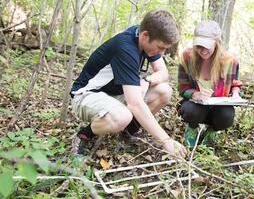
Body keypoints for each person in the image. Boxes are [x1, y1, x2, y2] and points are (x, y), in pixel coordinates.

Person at [70, 10, 187, 158]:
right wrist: (166, 140)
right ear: (145, 35)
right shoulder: (125, 47)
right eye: (160, 47)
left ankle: (127, 133)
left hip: (115, 94)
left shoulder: (146, 36)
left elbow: (164, 73)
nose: (162, 53)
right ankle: (84, 135)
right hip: (86, 95)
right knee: (122, 116)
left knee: (164, 91)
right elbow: (135, 104)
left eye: (165, 48)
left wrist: (146, 80)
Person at [177, 20, 242, 147]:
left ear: (217, 43)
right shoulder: (187, 56)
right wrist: (195, 94)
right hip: (196, 106)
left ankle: (212, 131)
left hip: (218, 107)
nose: (203, 50)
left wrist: (235, 94)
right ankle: (192, 128)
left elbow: (235, 83)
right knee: (191, 111)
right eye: (199, 46)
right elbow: (182, 87)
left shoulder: (230, 60)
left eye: (207, 46)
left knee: (227, 116)